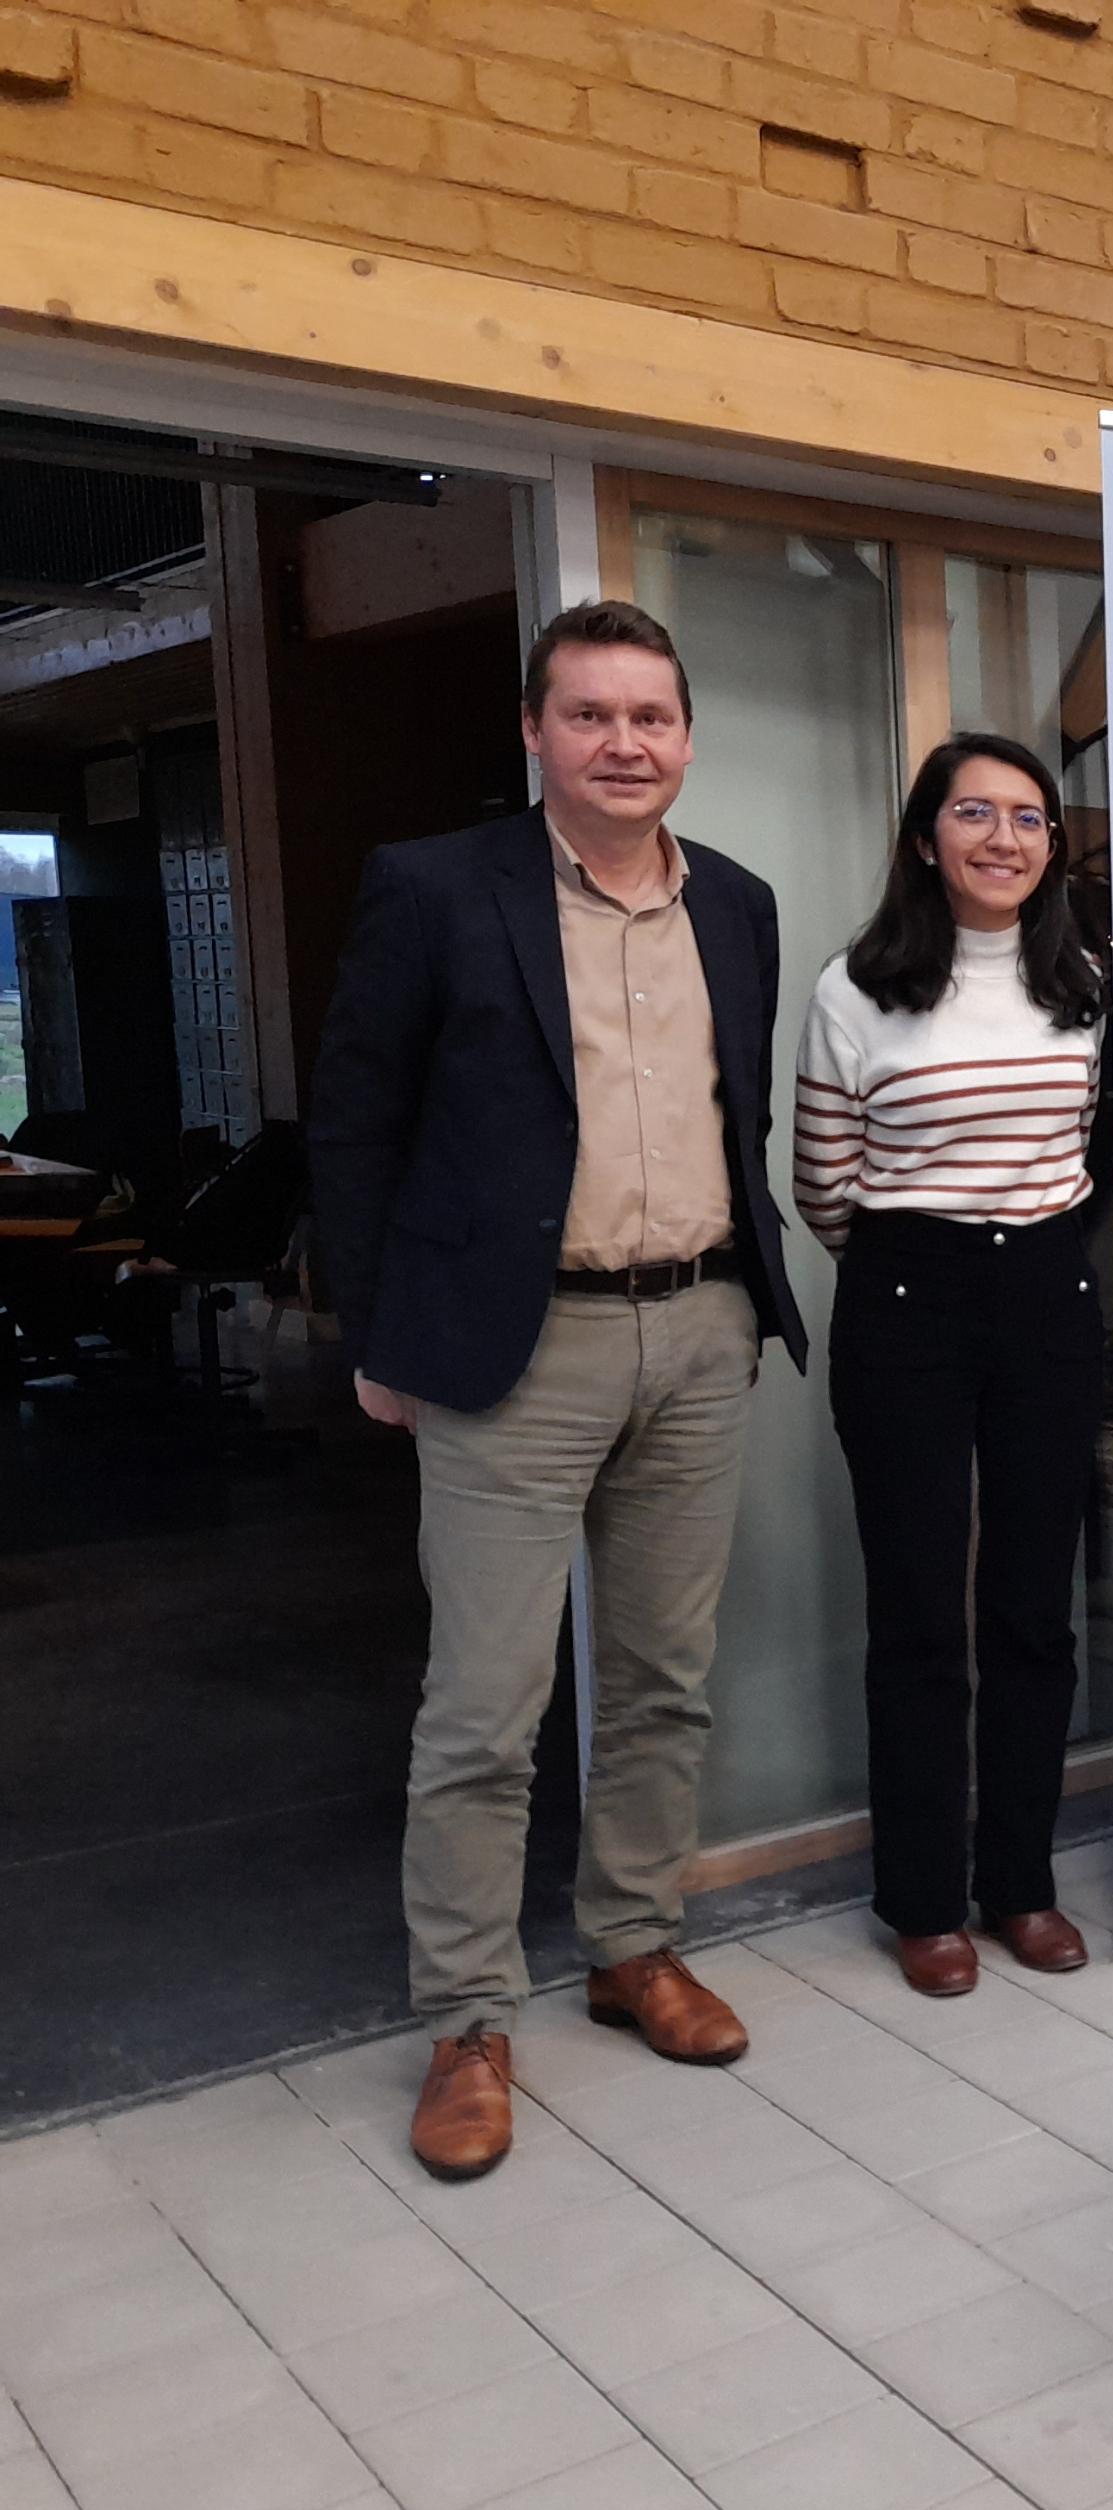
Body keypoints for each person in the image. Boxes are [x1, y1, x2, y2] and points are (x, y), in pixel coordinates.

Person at [311, 600, 808, 2182]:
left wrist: (737, 1308)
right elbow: (355, 1123)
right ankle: (466, 2018)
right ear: (535, 732)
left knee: (665, 1675)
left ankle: (629, 1948)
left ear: (683, 737)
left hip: (701, 1327)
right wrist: (378, 1335)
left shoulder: (734, 901)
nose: (622, 743)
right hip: (510, 1351)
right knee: (485, 1706)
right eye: (588, 715)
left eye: (649, 717)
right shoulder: (437, 889)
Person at [796, 734, 1109, 1999]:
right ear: (926, 836)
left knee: (1036, 1608)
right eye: (973, 813)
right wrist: (919, 1256)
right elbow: (825, 1183)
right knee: (920, 1613)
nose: (1003, 838)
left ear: (1052, 844)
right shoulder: (857, 989)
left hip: (1047, 1291)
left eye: (1028, 818)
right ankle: (924, 1899)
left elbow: (1087, 1151)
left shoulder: (1081, 978)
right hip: (908, 1297)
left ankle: (1019, 1884)